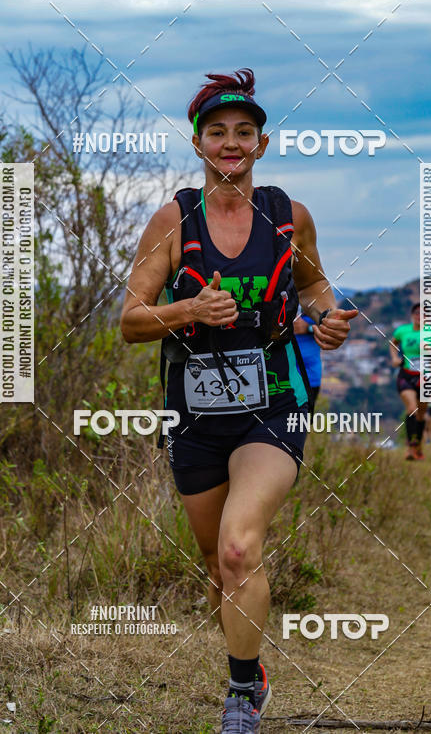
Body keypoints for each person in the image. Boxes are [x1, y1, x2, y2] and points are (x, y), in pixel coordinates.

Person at [120, 68, 357, 733]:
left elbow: (315, 290)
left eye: (244, 133)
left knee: (237, 550)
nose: (231, 143)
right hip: (193, 416)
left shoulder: (288, 217)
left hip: (273, 406)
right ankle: (247, 660)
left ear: (262, 143)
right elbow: (130, 320)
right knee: (215, 565)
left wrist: (330, 319)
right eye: (218, 133)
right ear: (198, 143)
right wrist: (189, 307)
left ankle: (242, 692)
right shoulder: (174, 220)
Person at [389, 303, 428, 460]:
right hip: (406, 376)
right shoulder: (403, 331)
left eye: (423, 313)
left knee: (421, 414)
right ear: (413, 315)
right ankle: (410, 448)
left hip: (426, 379)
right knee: (412, 409)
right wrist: (394, 358)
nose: (420, 315)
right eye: (417, 312)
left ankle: (418, 445)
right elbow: (393, 343)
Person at [293, 308, 323, 413]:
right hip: (285, 376)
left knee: (303, 420)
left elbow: (327, 327)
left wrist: (308, 328)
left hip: (310, 377)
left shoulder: (315, 305)